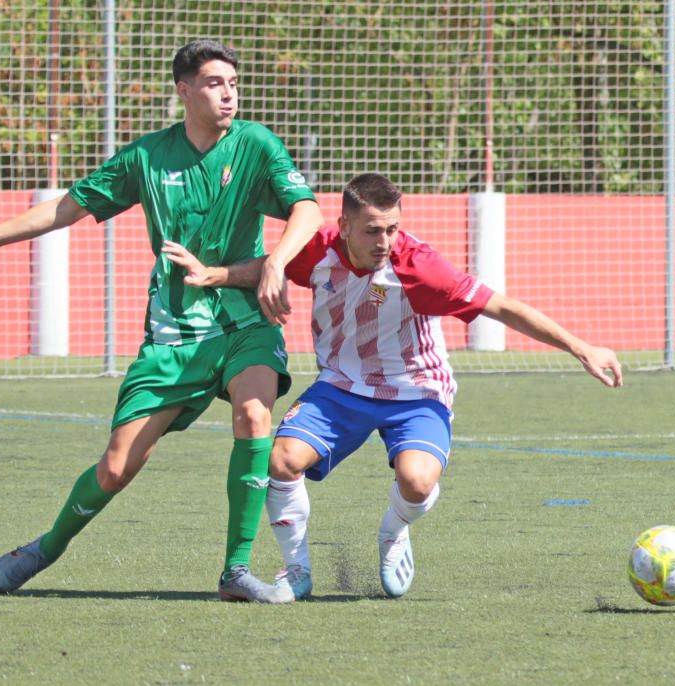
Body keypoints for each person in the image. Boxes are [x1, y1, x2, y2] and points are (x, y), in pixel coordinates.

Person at [0, 40, 324, 603]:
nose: (228, 92)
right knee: (115, 469)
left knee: (256, 416)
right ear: (184, 90)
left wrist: (274, 262)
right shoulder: (147, 158)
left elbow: (308, 208)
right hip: (174, 334)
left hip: (243, 320)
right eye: (213, 82)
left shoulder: (256, 144)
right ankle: (46, 547)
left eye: (233, 82)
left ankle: (235, 571)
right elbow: (69, 206)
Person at [163, 173, 623, 601]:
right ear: (343, 226)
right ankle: (297, 569)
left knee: (418, 482)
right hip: (342, 386)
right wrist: (216, 275)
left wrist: (580, 347)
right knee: (281, 461)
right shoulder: (319, 250)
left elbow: (499, 307)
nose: (385, 241)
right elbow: (270, 267)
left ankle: (395, 529)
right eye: (372, 231)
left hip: (415, 391)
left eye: (392, 229)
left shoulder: (421, 268)